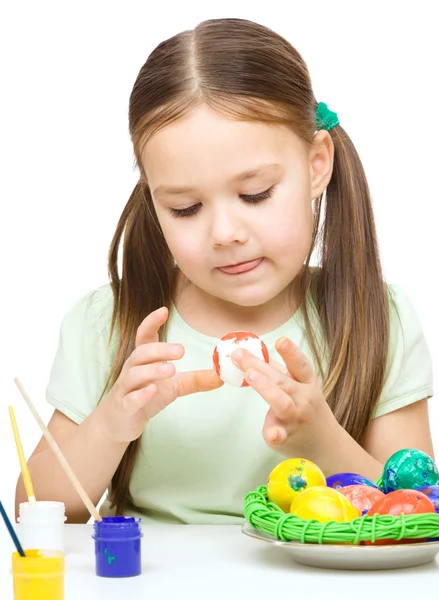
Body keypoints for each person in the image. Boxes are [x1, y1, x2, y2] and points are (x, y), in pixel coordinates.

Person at [15, 18, 434, 525]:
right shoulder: (110, 321)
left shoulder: (377, 318)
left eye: (255, 194)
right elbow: (34, 509)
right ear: (153, 200)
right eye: (186, 208)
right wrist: (109, 427)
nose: (224, 233)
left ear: (317, 163)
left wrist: (322, 440)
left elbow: (415, 515)